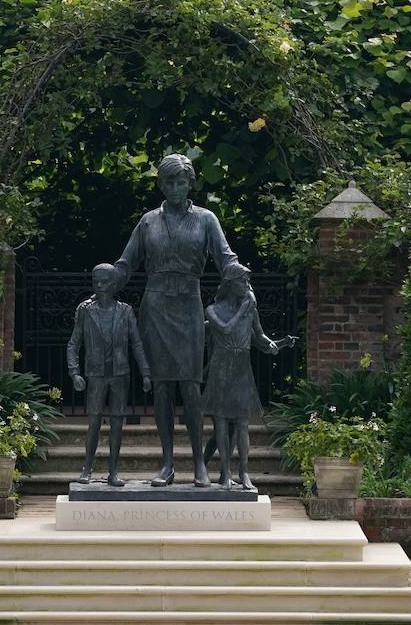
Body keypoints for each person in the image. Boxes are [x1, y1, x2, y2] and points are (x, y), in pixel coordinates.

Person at [113, 153, 239, 487]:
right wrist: (109, 280)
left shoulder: (206, 219)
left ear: (190, 183)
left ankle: (199, 462)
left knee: (191, 387)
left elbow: (226, 259)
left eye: (180, 181)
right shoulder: (148, 221)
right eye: (168, 182)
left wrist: (238, 274)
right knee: (163, 388)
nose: (175, 188)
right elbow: (127, 262)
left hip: (188, 307)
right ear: (161, 184)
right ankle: (167, 462)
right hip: (155, 308)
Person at [201, 263, 296, 490]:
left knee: (243, 423)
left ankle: (244, 472)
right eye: (242, 281)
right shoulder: (213, 310)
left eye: (247, 281)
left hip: (242, 368)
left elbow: (260, 338)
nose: (247, 285)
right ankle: (226, 473)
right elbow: (225, 329)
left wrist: (279, 343)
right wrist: (244, 309)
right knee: (222, 423)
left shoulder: (249, 309)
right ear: (230, 284)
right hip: (221, 367)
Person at [67, 263, 151, 486]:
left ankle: (113, 471)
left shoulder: (125, 311)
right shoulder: (85, 310)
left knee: (117, 423)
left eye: (105, 281)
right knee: (93, 422)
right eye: (97, 282)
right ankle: (87, 467)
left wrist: (146, 373)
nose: (100, 285)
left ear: (114, 284)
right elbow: (74, 344)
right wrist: (74, 372)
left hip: (120, 374)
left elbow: (137, 344)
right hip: (95, 375)